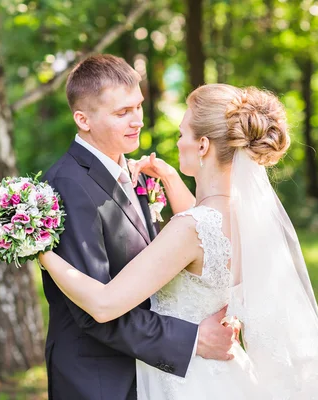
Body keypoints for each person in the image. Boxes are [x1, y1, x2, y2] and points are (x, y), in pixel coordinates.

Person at [40, 83, 318, 399]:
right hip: (225, 375)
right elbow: (204, 229)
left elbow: (105, 304)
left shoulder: (191, 228)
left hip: (186, 379)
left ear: (202, 145)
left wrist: (41, 249)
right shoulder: (238, 216)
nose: (177, 143)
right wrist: (170, 177)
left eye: (181, 135)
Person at [41, 55, 236, 400]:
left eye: (138, 107)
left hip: (151, 370)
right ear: (82, 119)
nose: (137, 122)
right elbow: (93, 311)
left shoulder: (134, 172)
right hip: (100, 379)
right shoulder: (68, 186)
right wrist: (192, 339)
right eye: (121, 113)